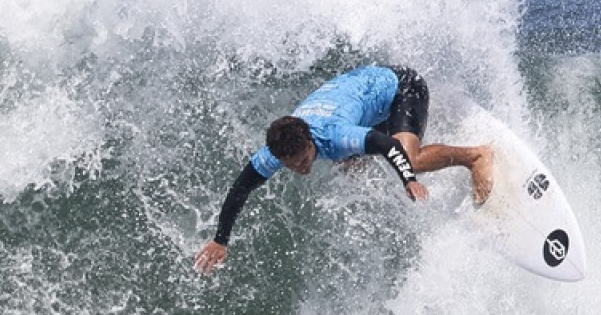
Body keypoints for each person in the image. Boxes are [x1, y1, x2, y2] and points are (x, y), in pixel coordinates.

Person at [194, 64, 494, 273]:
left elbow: (387, 147)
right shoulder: (278, 149)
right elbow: (240, 189)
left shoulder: (334, 136)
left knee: (408, 157)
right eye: (291, 164)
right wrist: (220, 239)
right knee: (351, 168)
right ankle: (401, 134)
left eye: (303, 160)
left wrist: (408, 179)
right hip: (364, 97)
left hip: (401, 86)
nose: (299, 168)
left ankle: (475, 157)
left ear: (311, 141)